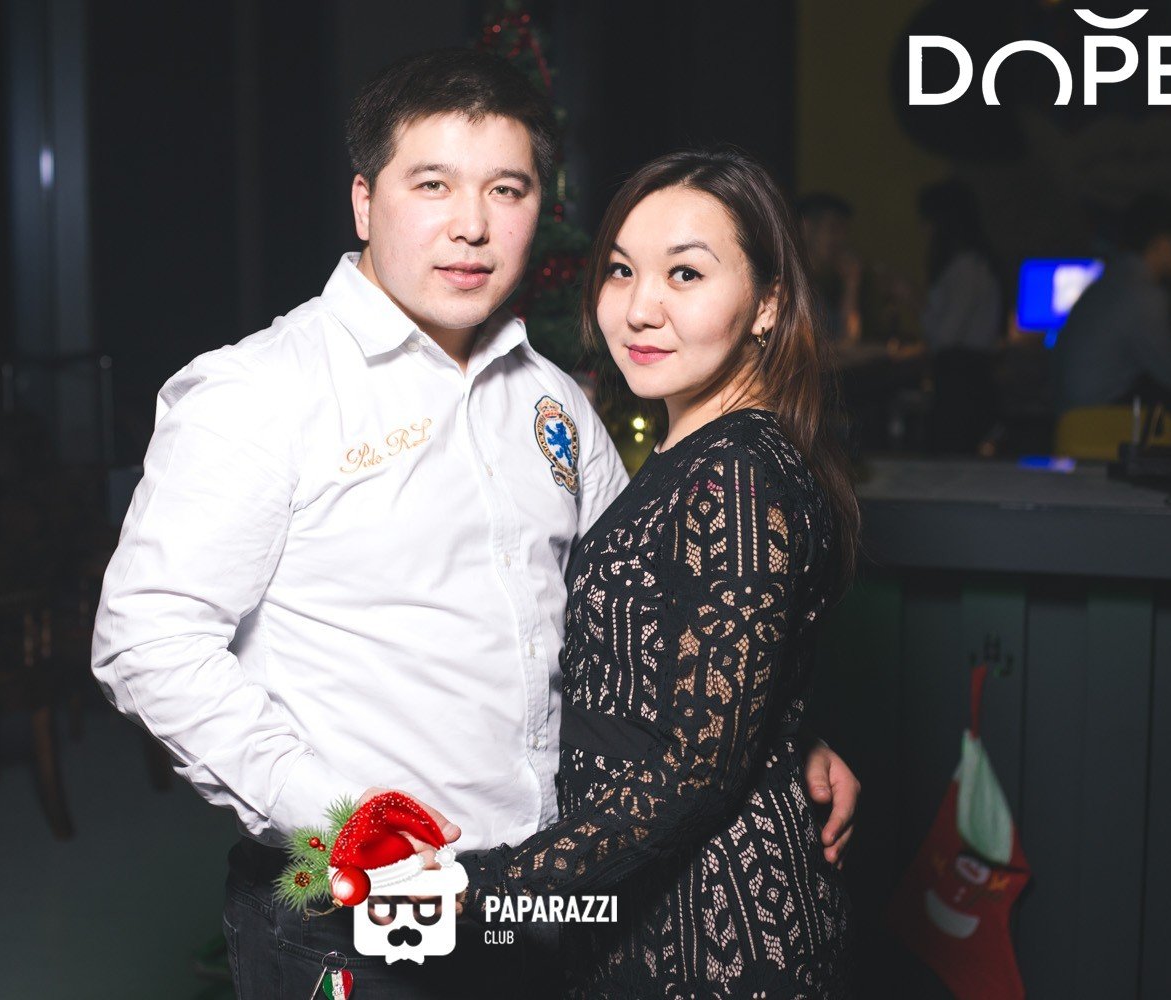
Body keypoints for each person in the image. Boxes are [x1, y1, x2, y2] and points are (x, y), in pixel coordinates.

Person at [91, 50, 859, 998]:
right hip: (359, 922)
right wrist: (343, 822)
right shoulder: (259, 392)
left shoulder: (555, 400)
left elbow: (651, 617)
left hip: (552, 908)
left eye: (506, 189)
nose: (471, 225)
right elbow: (147, 640)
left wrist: (773, 730)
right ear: (364, 201)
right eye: (433, 184)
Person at [452, 148, 858, 997]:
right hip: (640, 910)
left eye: (685, 274)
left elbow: (695, 771)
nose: (640, 308)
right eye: (621, 270)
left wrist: (487, 894)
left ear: (767, 303)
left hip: (713, 929)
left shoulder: (737, 473)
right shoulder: (698, 453)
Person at [1053, 194, 1171, 414]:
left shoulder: (1112, 281)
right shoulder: (1144, 295)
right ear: (1162, 245)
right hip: (1093, 421)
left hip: (1069, 416)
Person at [917, 178, 1003, 453]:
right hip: (969, 377)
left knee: (950, 459)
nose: (924, 231)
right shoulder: (974, 266)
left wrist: (913, 302)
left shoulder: (966, 269)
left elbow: (944, 336)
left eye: (928, 222)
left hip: (961, 382)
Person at [797, 191, 862, 345]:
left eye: (844, 231)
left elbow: (847, 337)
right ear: (806, 227)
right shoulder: (790, 287)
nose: (841, 239)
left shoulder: (818, 288)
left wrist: (852, 283)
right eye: (833, 229)